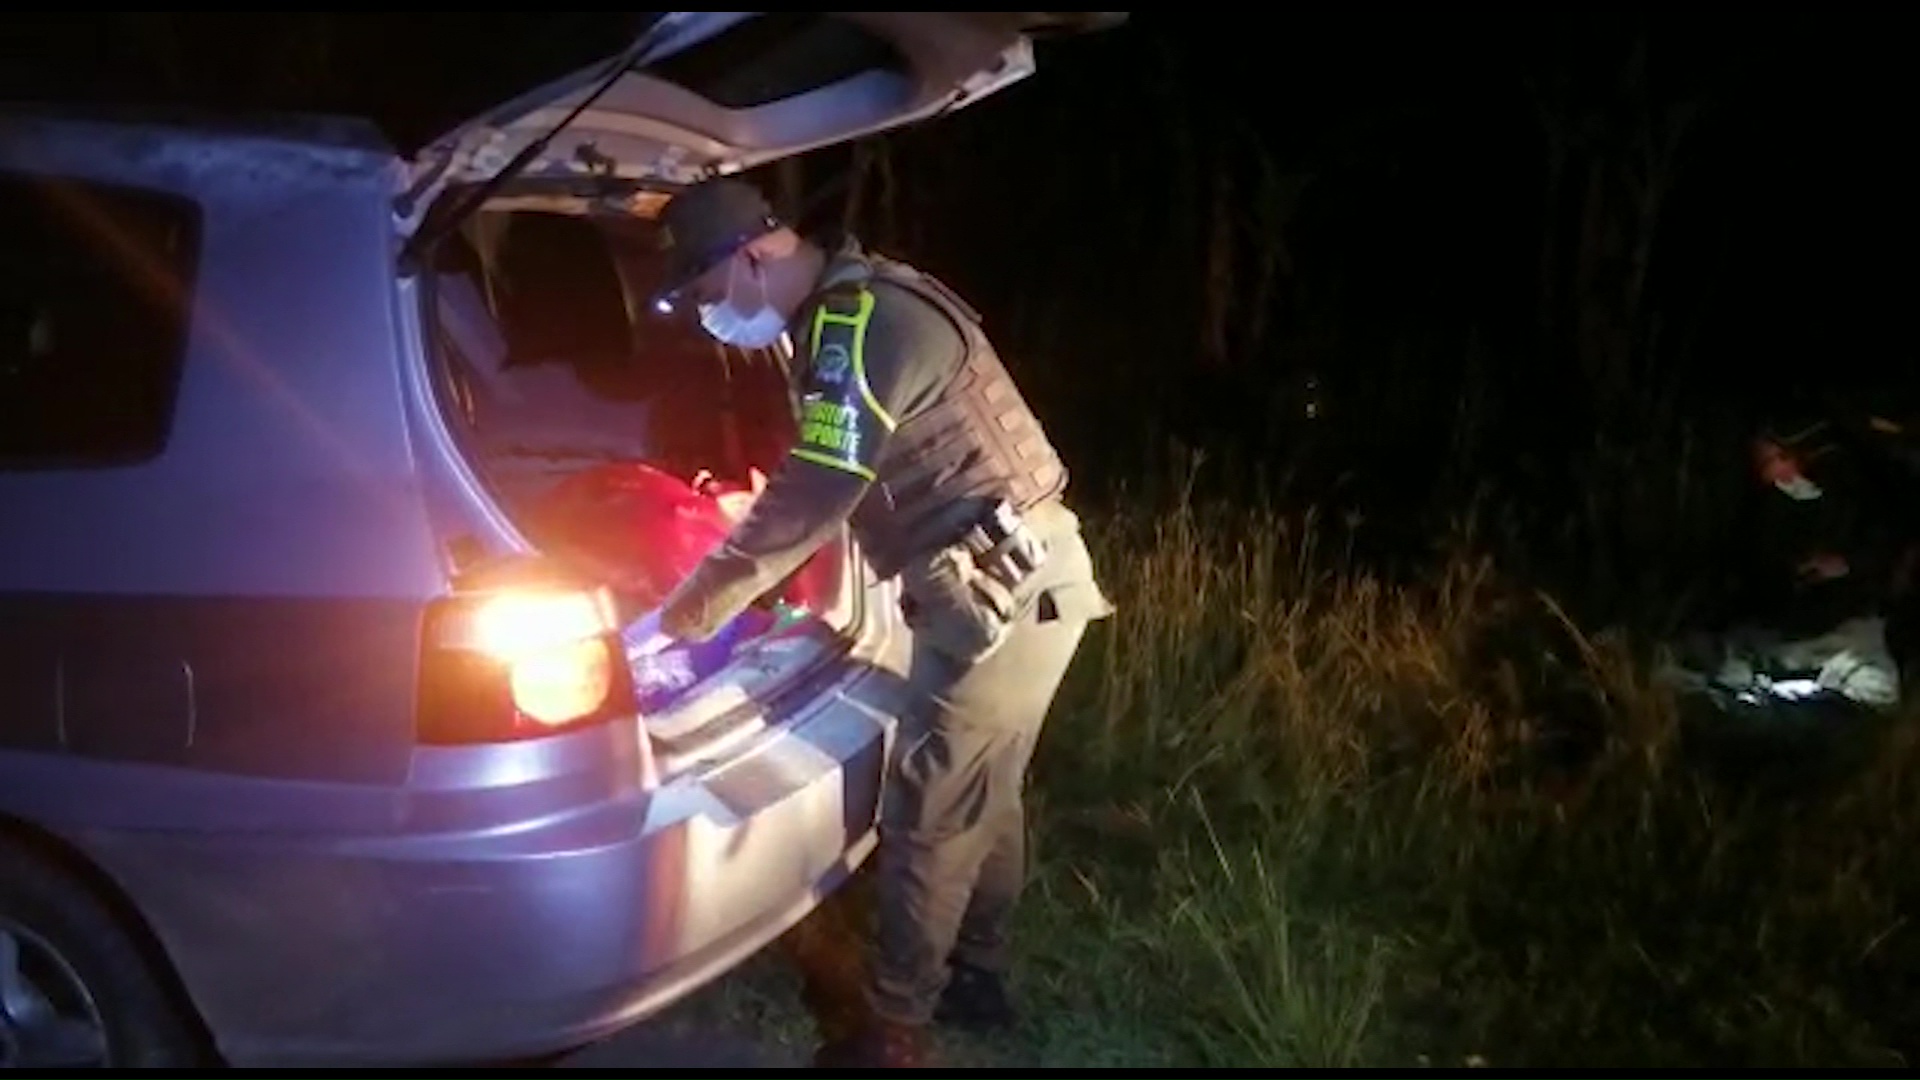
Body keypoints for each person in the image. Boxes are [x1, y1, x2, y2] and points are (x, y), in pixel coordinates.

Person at [645, 176, 1114, 1068]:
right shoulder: (851, 307)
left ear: (754, 256)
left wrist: (688, 611)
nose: (712, 317)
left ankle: (895, 1029)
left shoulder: (856, 325)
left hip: (1003, 591)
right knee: (985, 786)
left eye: (709, 296)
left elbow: (818, 490)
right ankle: (979, 970)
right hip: (1020, 579)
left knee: (934, 799)